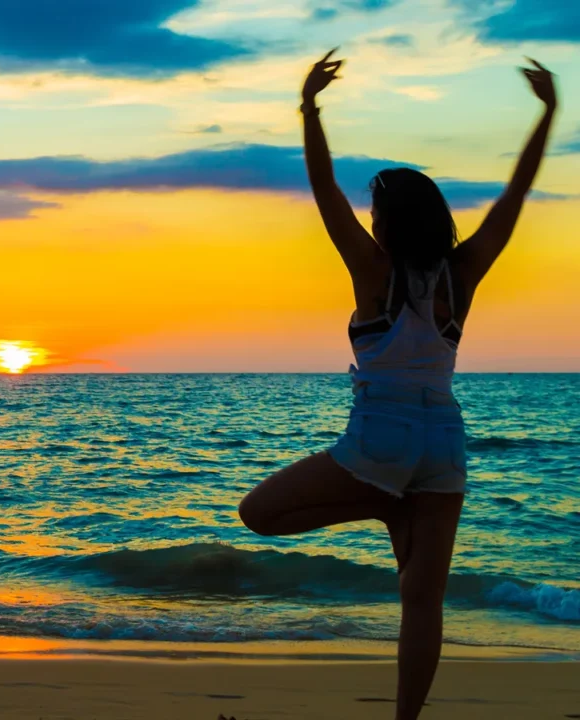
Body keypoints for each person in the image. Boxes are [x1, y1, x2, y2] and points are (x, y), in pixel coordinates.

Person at [237, 49, 558, 720]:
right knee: (422, 601)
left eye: (374, 209)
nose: (368, 217)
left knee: (259, 514)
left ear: (388, 220)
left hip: (381, 437)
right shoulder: (462, 274)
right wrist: (549, 113)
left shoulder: (371, 270)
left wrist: (309, 108)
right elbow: (514, 198)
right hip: (444, 440)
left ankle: (379, 503)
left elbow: (321, 189)